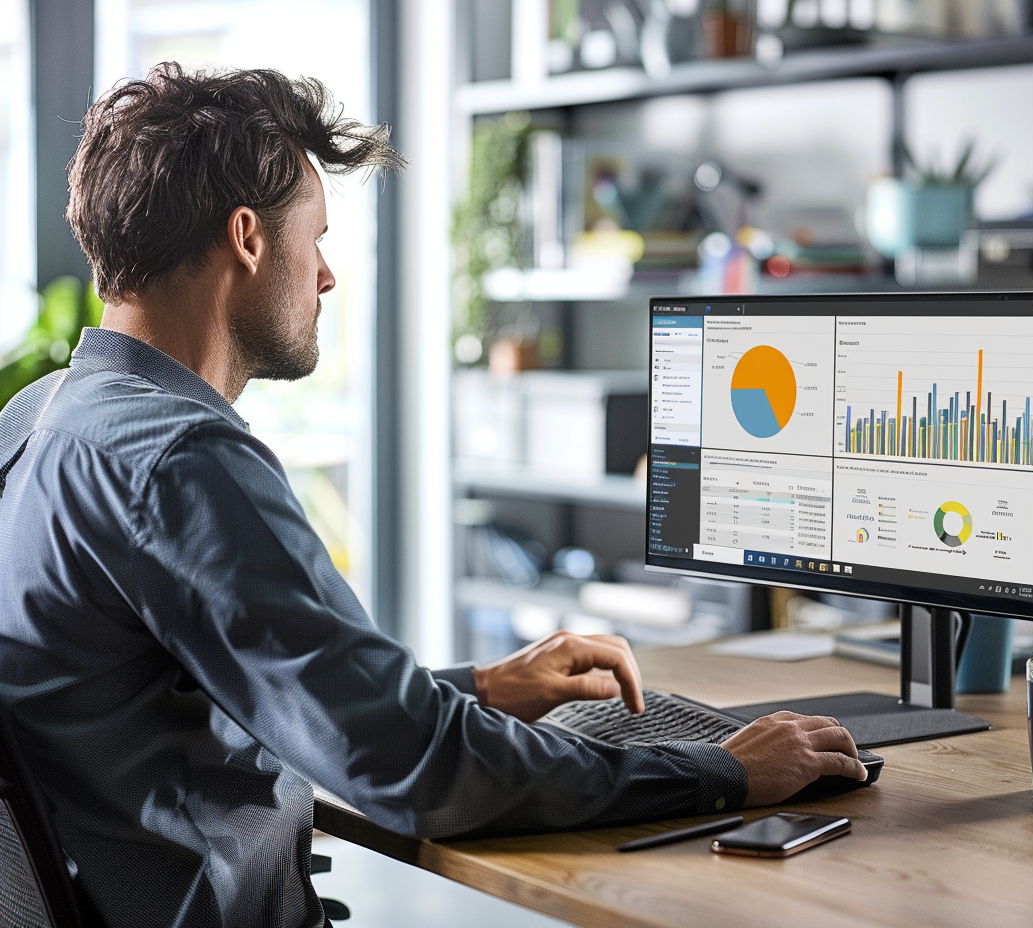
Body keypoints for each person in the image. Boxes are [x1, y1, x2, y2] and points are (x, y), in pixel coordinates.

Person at [0, 63, 865, 927]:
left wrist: (483, 686)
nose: (327, 277)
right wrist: (728, 769)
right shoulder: (181, 459)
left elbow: (240, 697)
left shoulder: (36, 421)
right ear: (249, 238)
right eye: (318, 239)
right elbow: (415, 769)